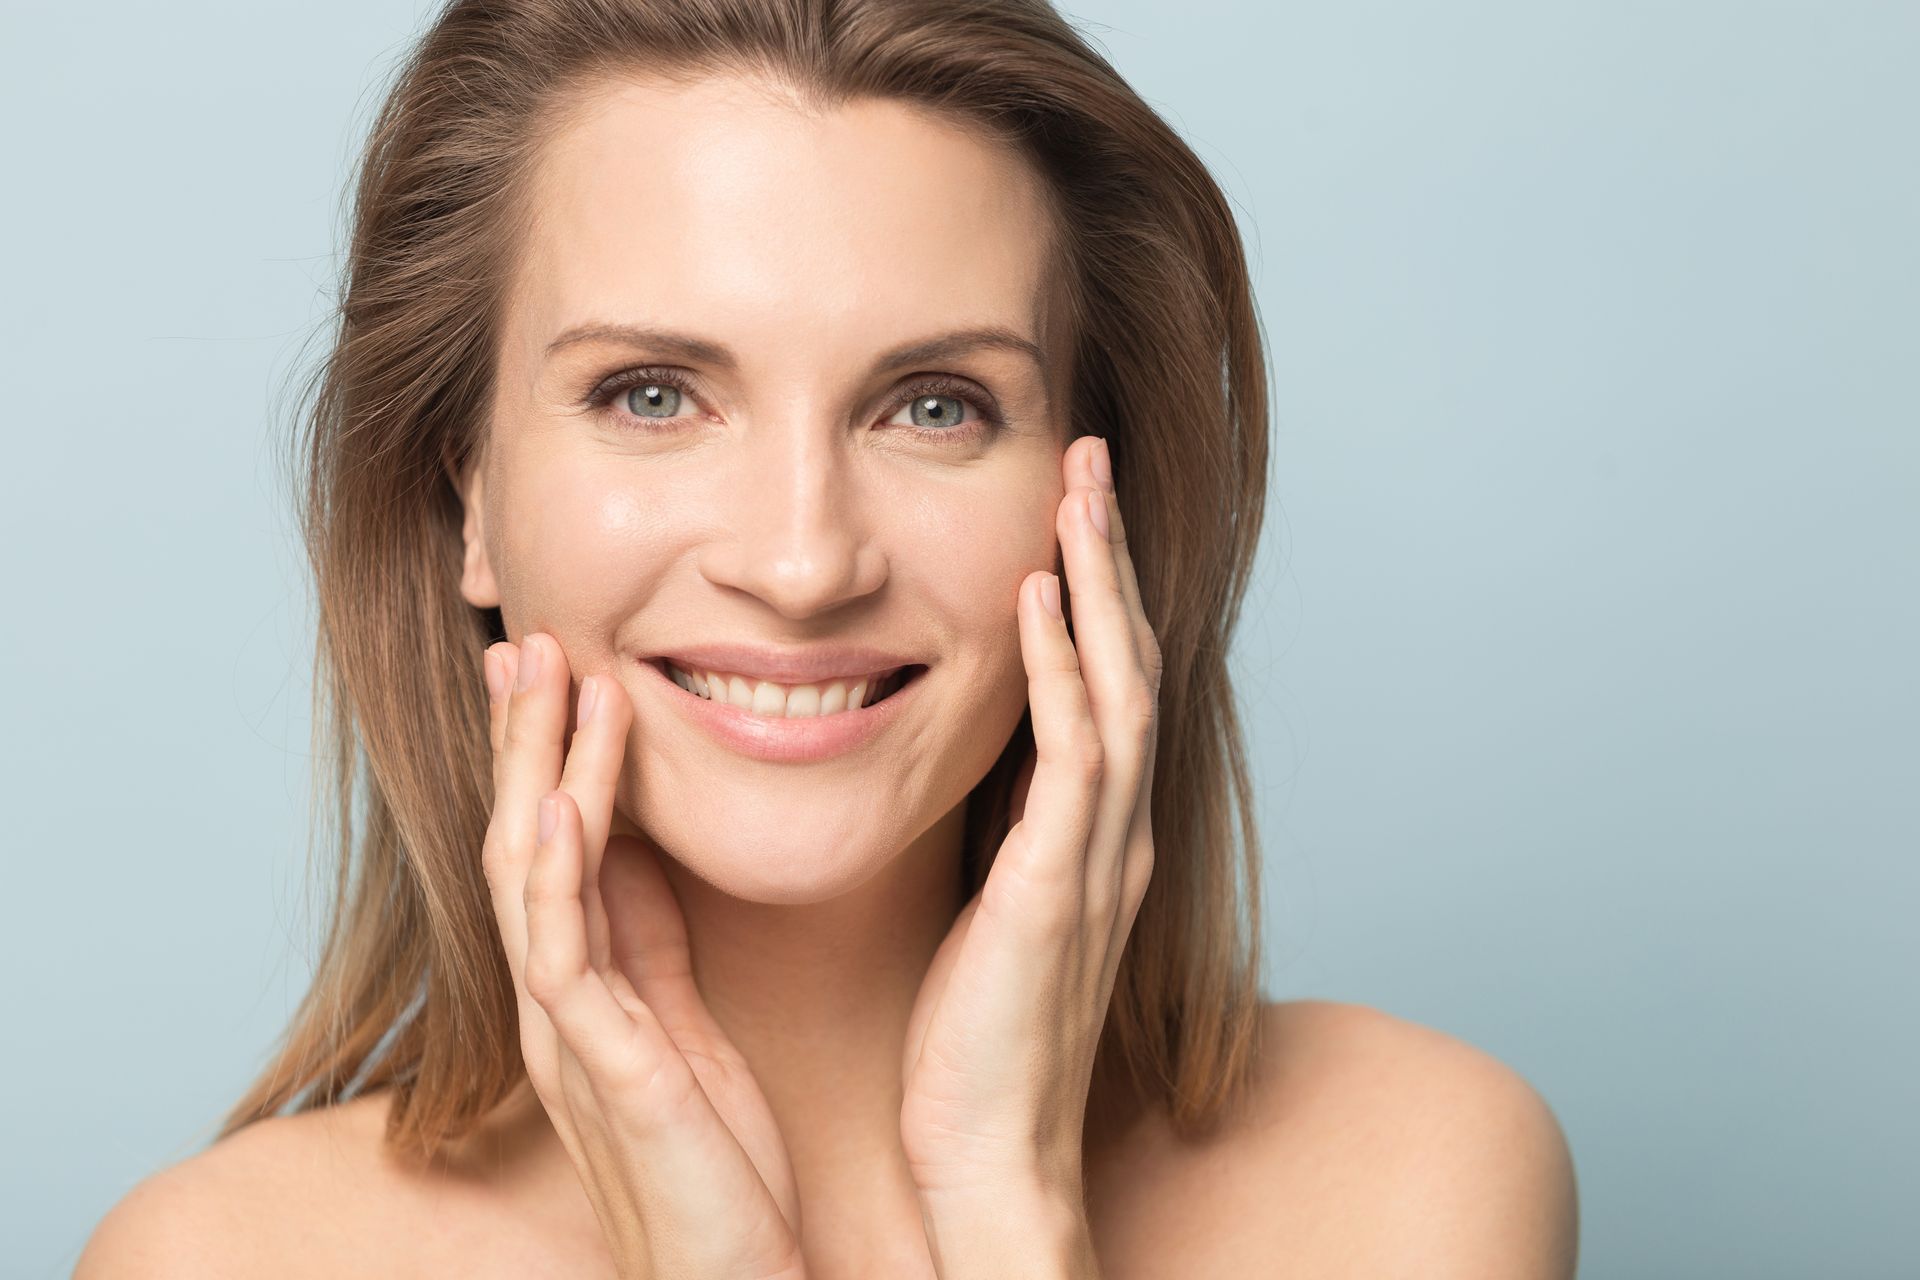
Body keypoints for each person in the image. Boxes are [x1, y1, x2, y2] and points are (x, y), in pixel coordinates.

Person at [77, 0, 1577, 1275]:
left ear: (1092, 496)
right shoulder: (227, 1258)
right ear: (464, 490)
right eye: (651, 394)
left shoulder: (1407, 1186)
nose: (802, 564)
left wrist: (1007, 1208)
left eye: (935, 406)